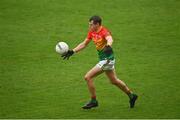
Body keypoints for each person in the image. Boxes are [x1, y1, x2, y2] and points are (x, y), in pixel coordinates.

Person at [61, 15, 138, 109]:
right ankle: (132, 96)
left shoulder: (104, 31)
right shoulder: (92, 32)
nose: (90, 27)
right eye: (89, 25)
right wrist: (73, 51)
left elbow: (110, 39)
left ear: (97, 24)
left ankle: (94, 101)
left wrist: (108, 46)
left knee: (88, 77)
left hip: (107, 60)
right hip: (105, 60)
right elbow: (84, 43)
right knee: (114, 81)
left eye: (91, 25)